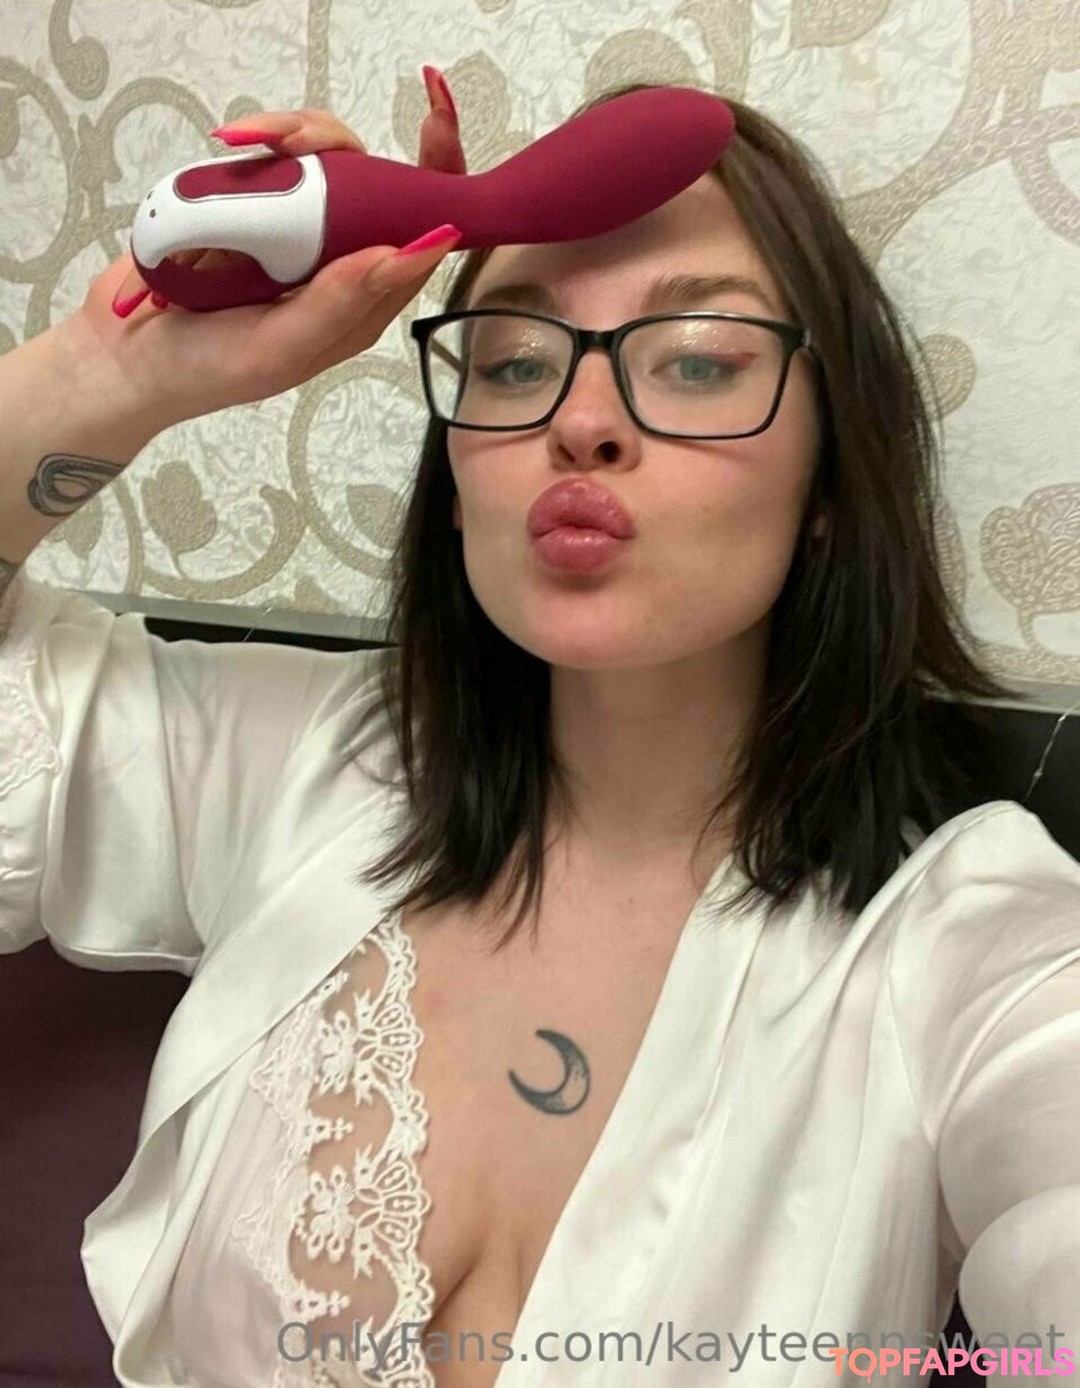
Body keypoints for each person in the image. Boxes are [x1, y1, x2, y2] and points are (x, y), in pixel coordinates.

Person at [1, 72, 1078, 1388]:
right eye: (513, 361)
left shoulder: (978, 952)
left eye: (699, 360)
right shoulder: (297, 768)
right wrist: (112, 371)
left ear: (829, 484)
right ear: (458, 484)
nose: (579, 421)